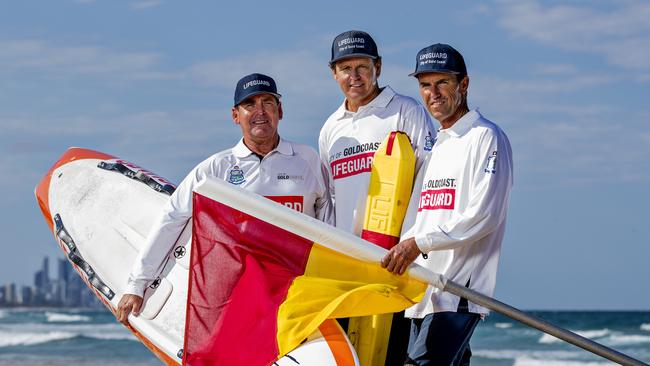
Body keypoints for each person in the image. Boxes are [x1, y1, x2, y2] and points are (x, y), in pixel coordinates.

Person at [117, 73, 333, 324]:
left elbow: (328, 219)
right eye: (250, 105)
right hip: (240, 294)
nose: (260, 111)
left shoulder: (307, 159)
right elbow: (172, 218)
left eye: (268, 103)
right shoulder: (216, 169)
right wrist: (137, 284)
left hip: (299, 291)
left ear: (280, 110)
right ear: (235, 115)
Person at [381, 43, 513, 365]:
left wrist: (417, 244)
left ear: (463, 84)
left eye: (443, 83)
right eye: (425, 85)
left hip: (458, 292)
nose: (433, 93)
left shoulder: (486, 137)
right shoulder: (437, 146)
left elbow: (485, 215)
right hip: (422, 292)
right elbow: (422, 217)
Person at [319, 30, 436, 364]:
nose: (354, 76)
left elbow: (426, 179)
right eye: (346, 68)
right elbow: (331, 199)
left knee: (391, 354)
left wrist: (412, 243)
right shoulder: (331, 128)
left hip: (395, 261)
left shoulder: (406, 111)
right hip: (349, 265)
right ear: (334, 73)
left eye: (362, 67)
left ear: (378, 68)